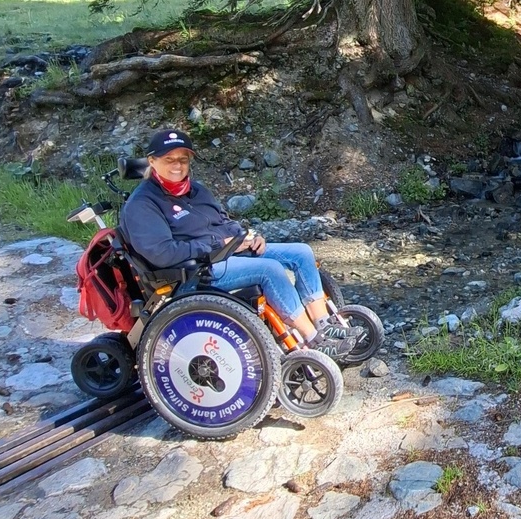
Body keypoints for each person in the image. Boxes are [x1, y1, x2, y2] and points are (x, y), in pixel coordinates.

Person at [120, 129, 360, 359]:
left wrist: (247, 237)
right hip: (192, 273)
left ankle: (325, 325)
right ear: (151, 161)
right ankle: (314, 339)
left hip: (224, 254)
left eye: (183, 159)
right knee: (270, 270)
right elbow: (161, 253)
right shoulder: (142, 205)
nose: (177, 166)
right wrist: (215, 244)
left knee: (301, 252)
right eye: (169, 159)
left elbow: (224, 221)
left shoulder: (196, 190)